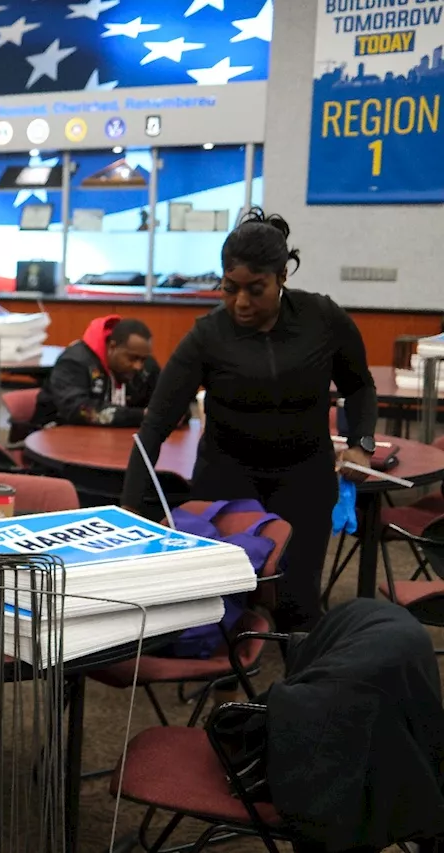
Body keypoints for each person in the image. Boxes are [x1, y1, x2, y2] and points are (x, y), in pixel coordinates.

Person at [122, 208, 376, 632]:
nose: (241, 302)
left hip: (304, 477)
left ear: (282, 278)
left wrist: (360, 444)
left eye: (256, 289)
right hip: (227, 477)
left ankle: (305, 687)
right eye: (229, 288)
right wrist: (129, 505)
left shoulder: (322, 319)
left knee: (297, 601)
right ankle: (222, 682)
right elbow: (156, 425)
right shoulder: (208, 335)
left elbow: (360, 387)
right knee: (226, 600)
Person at [32, 316, 160, 428]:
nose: (138, 366)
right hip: (55, 437)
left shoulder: (145, 367)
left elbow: (162, 399)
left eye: (143, 359)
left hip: (111, 440)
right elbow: (79, 410)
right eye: (132, 358)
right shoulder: (74, 362)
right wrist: (141, 416)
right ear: (112, 347)